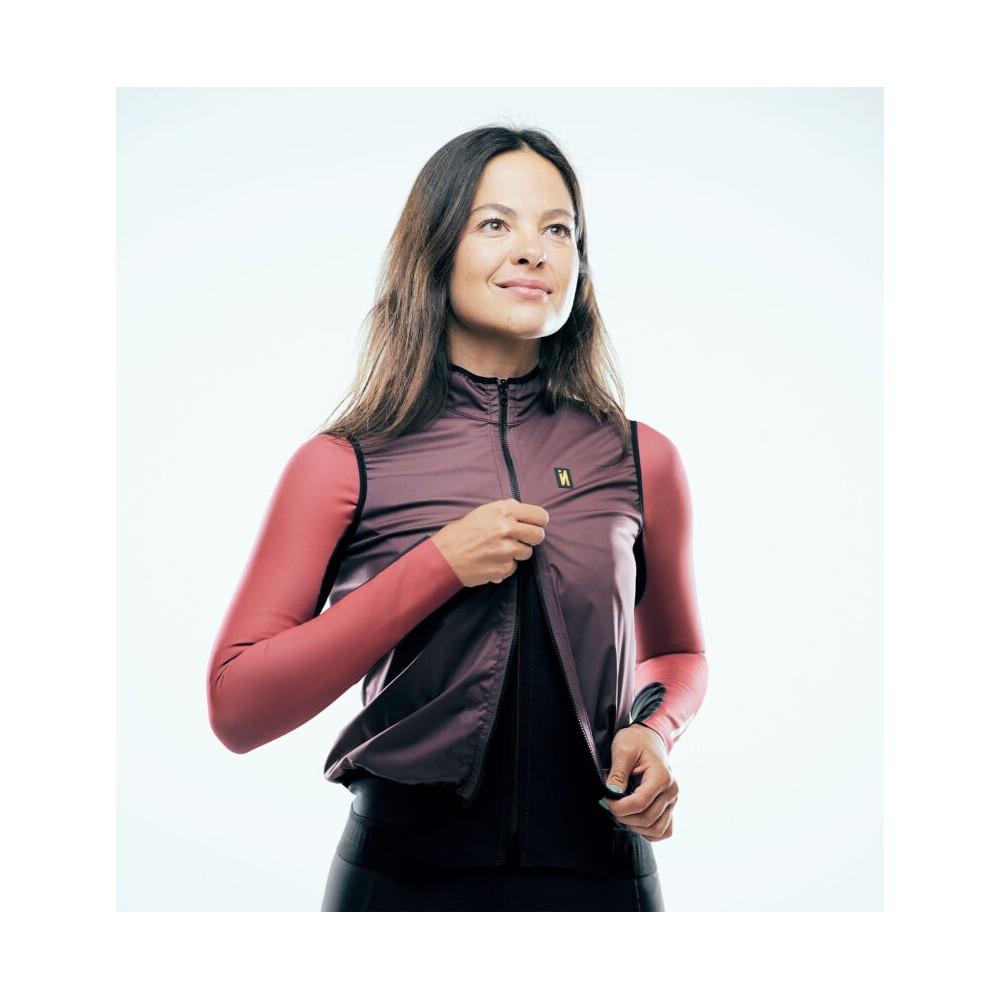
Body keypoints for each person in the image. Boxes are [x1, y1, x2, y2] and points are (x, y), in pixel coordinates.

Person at [206, 125, 708, 911]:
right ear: (436, 249)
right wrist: (437, 566)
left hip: (605, 877)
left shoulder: (641, 458)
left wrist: (653, 730)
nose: (534, 251)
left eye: (558, 230)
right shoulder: (341, 464)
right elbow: (237, 709)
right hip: (398, 885)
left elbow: (677, 652)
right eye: (496, 223)